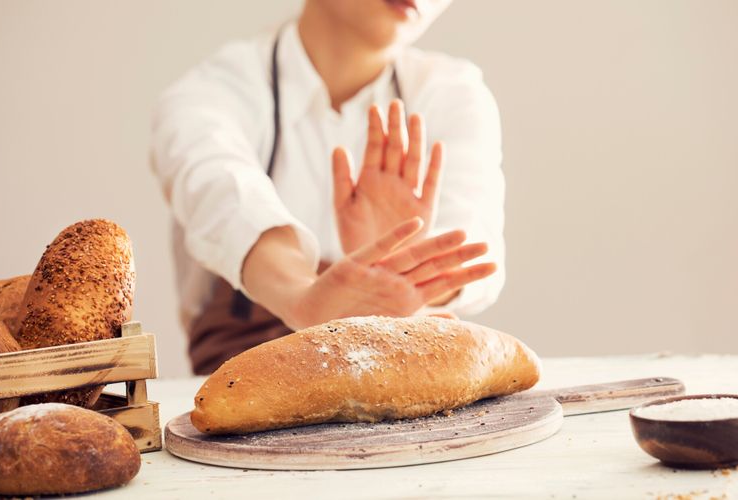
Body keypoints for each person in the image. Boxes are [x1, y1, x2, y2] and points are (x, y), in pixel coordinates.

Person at [151, 0, 506, 374]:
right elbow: (222, 199)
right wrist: (301, 296)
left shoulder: (453, 93)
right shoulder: (209, 93)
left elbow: (475, 249)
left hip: (395, 372)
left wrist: (402, 272)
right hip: (248, 382)